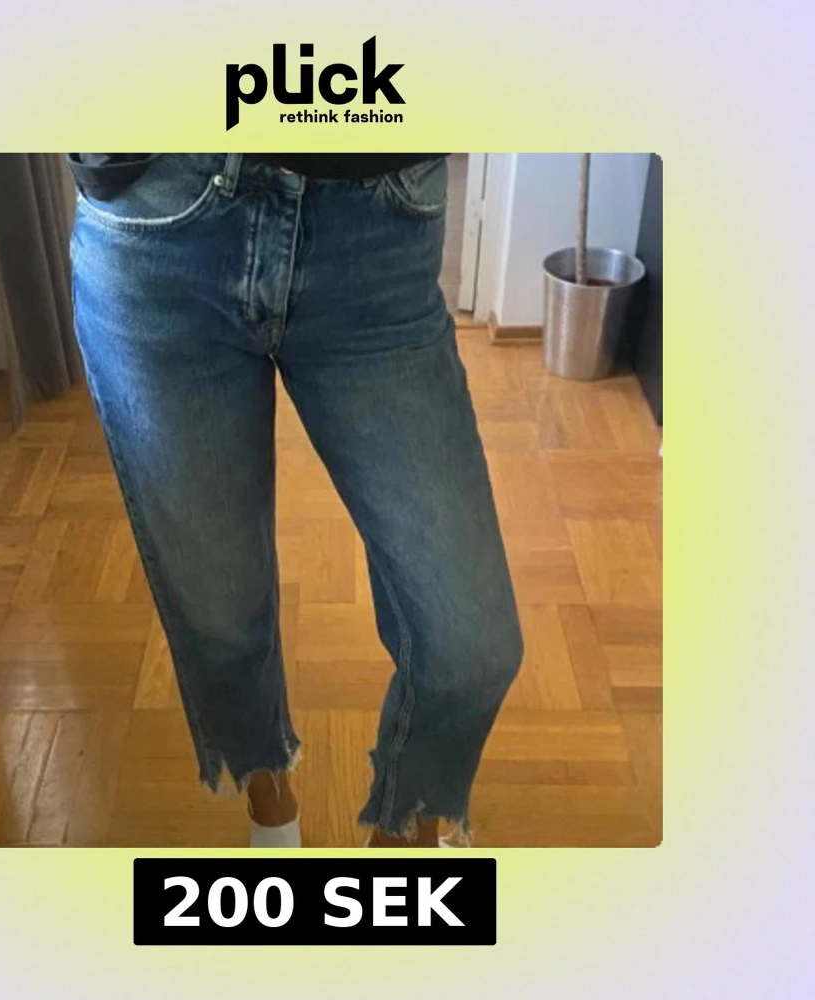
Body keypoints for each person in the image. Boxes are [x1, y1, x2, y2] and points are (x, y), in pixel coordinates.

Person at [66, 153, 523, 848]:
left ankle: (403, 845)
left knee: (470, 648)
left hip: (378, 223)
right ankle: (272, 814)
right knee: (219, 622)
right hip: (162, 214)